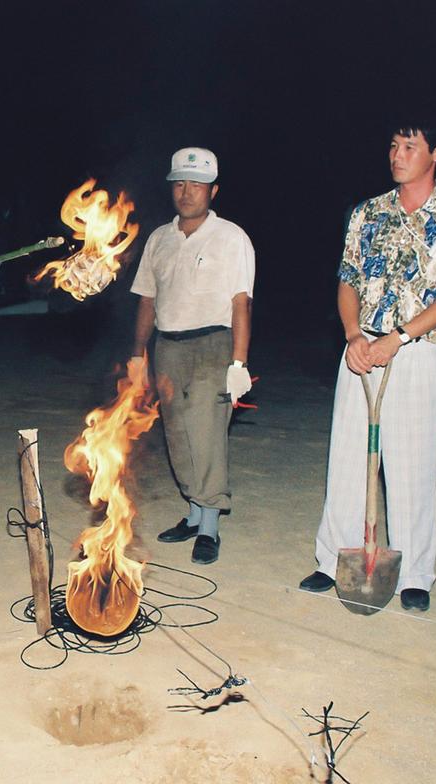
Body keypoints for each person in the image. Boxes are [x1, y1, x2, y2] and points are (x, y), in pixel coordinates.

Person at [298, 122, 436, 612]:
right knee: (346, 459)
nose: (397, 155)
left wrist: (399, 337)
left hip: (417, 352)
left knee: (413, 465)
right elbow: (348, 280)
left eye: (410, 147)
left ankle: (415, 573)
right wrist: (353, 335)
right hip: (361, 351)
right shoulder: (368, 213)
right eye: (393, 146)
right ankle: (332, 560)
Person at [131, 147, 255, 565]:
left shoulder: (231, 237)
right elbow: (147, 300)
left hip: (213, 345)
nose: (186, 192)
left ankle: (210, 525)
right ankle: (194, 512)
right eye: (180, 183)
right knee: (177, 433)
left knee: (206, 433)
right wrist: (137, 355)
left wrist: (238, 363)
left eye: (197, 184)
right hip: (168, 346)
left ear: (213, 190)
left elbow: (241, 303)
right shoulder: (159, 239)